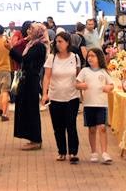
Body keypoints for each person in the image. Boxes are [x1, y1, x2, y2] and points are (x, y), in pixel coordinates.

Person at [42, 31, 82, 163]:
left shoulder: (75, 57)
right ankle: (62, 151)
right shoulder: (51, 58)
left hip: (72, 96)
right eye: (57, 42)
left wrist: (82, 92)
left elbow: (78, 76)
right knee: (58, 126)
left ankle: (73, 152)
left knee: (71, 124)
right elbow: (47, 77)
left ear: (68, 42)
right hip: (55, 97)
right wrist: (45, 94)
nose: (58, 44)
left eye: (61, 41)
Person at [9, 23, 47, 150]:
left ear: (38, 32)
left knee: (31, 110)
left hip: (31, 82)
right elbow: (23, 59)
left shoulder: (39, 46)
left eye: (32, 30)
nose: (28, 32)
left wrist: (10, 49)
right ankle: (32, 138)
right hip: (26, 80)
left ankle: (36, 139)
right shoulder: (31, 44)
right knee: (25, 109)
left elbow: (24, 59)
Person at [76, 47, 114, 163]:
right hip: (89, 104)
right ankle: (93, 152)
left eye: (93, 56)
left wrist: (108, 87)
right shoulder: (84, 71)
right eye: (89, 56)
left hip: (101, 104)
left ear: (99, 57)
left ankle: (104, 152)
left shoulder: (104, 72)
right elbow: (77, 84)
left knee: (102, 128)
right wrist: (81, 85)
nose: (90, 58)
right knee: (92, 129)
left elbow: (111, 85)